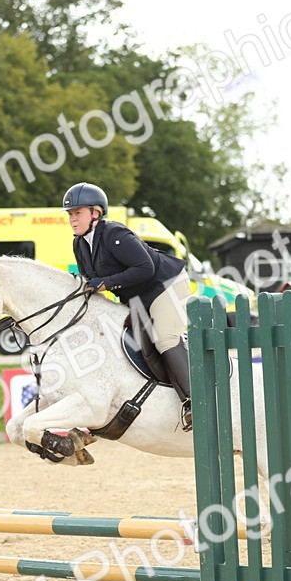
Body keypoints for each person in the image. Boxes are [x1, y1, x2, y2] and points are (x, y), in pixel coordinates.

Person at [63, 182, 194, 430]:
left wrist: (105, 284)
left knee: (165, 338)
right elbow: (91, 281)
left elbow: (146, 268)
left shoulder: (114, 234)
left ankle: (194, 401)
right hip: (138, 297)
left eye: (78, 213)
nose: (72, 219)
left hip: (166, 285)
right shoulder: (79, 244)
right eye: (70, 214)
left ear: (96, 213)